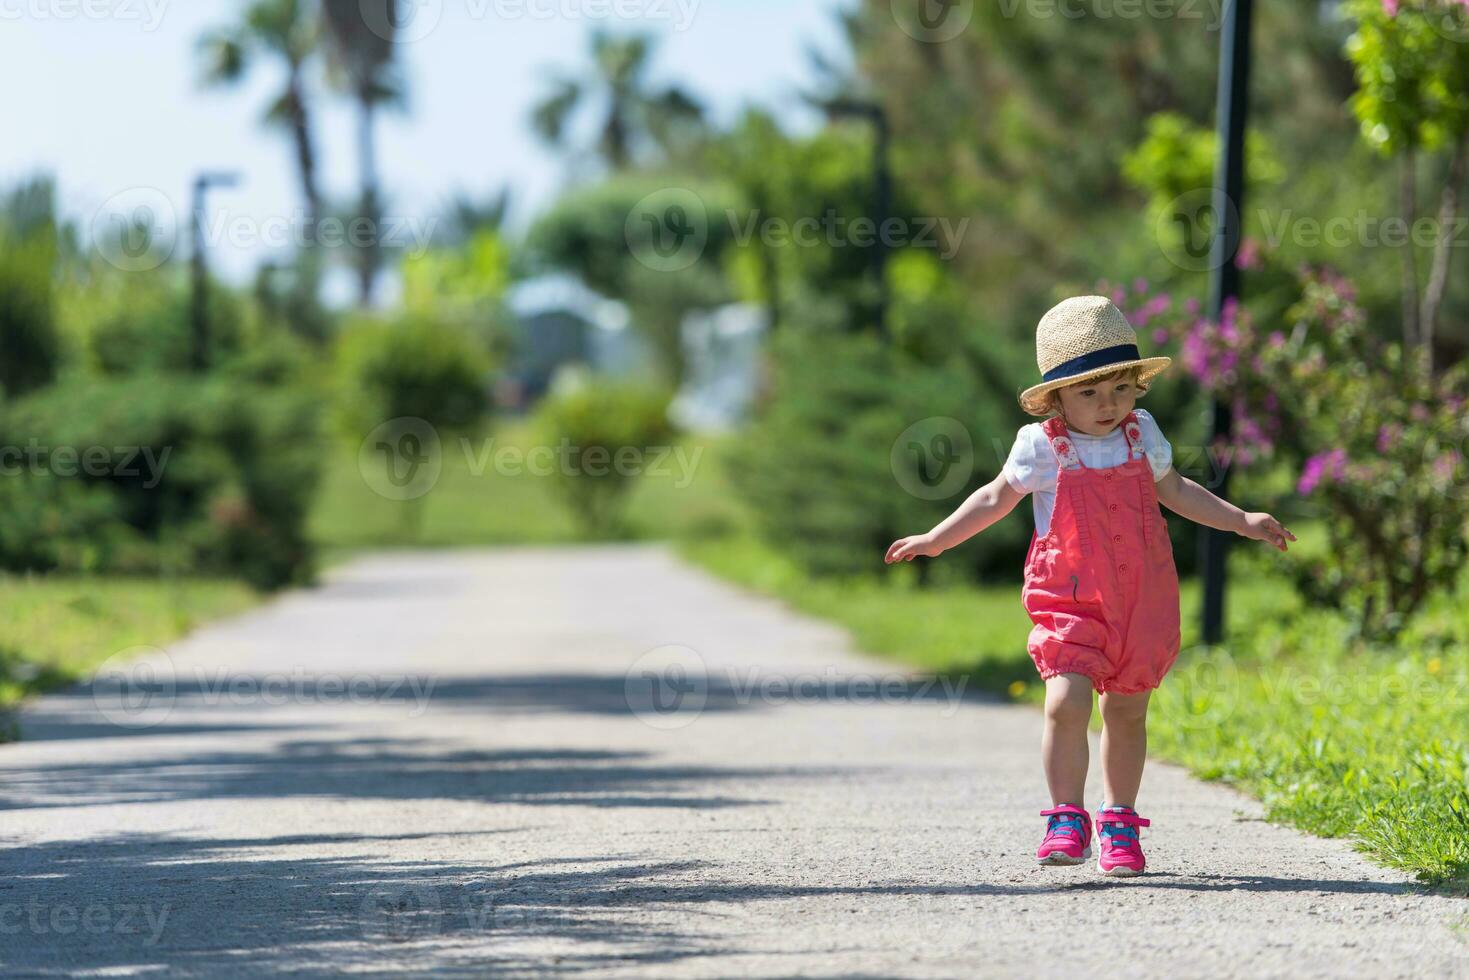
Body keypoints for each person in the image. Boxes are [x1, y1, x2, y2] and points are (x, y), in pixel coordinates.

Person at [883, 295, 1295, 877]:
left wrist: (1240, 519)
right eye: (1089, 393)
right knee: (1066, 701)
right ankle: (1065, 817)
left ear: (1135, 388)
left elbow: (1177, 491)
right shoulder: (1040, 447)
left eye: (1121, 389)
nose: (1109, 405)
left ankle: (1119, 822)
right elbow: (994, 499)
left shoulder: (1141, 436)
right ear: (1055, 398)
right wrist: (937, 538)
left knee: (1127, 712)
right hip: (1071, 600)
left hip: (1140, 601)